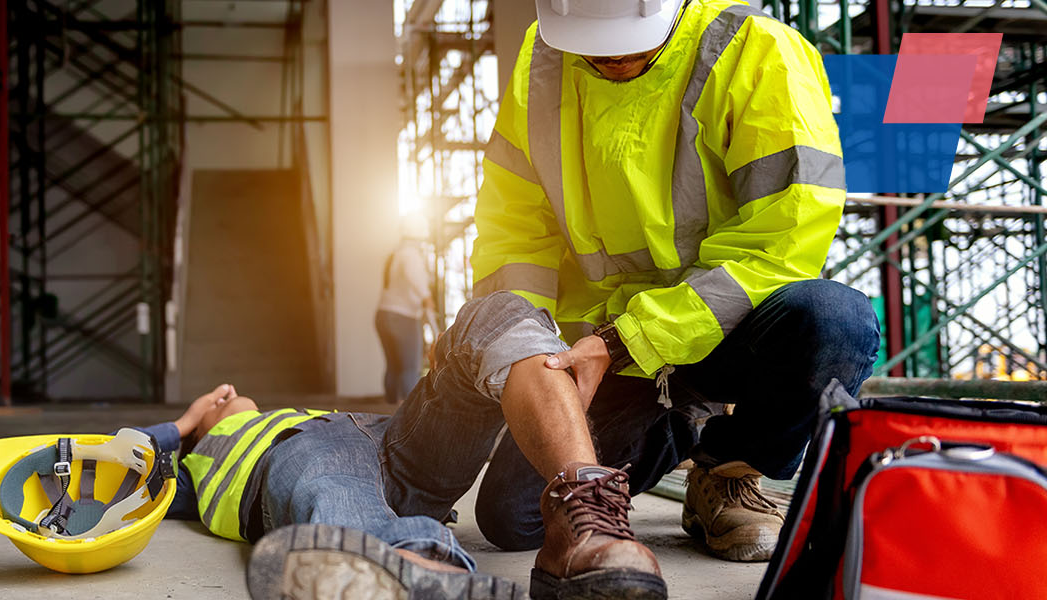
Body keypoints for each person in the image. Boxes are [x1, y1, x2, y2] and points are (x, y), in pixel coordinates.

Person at [357, 0, 880, 598]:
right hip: (602, 355)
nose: (614, 60)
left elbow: (781, 241)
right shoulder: (544, 57)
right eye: (596, 48)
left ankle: (732, 469)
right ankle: (683, 419)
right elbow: (517, 228)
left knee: (836, 320)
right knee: (515, 519)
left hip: (724, 334)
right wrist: (532, 356)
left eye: (632, 46)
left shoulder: (756, 52)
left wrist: (626, 340)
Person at [137, 384, 527, 600]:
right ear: (200, 434)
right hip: (315, 462)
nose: (227, 391)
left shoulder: (289, 414)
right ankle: (416, 565)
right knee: (331, 482)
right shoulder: (191, 466)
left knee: (473, 348)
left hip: (384, 448)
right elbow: (104, 463)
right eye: (216, 400)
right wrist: (181, 424)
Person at [375, 215, 437, 403]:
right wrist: (427, 297)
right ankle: (410, 416)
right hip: (403, 317)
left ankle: (388, 410)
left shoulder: (396, 253)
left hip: (383, 315)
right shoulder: (411, 254)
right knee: (410, 368)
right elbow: (414, 275)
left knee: (393, 367)